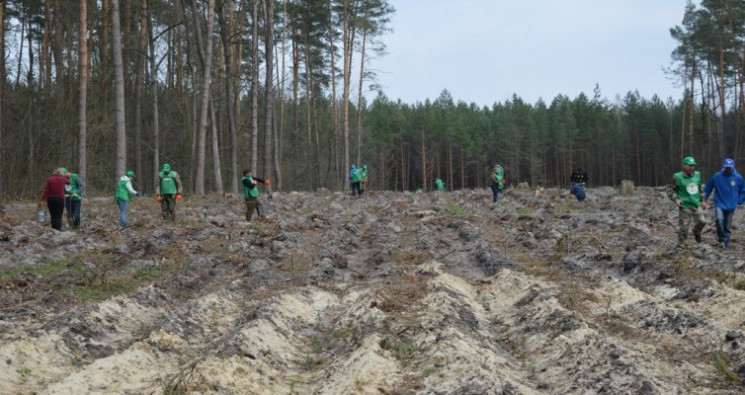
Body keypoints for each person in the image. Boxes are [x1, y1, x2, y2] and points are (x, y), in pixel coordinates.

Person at [703, 158, 745, 248]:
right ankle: (722, 239)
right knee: (719, 219)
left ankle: (726, 242)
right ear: (723, 167)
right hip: (719, 203)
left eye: (729, 167)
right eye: (726, 167)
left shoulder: (738, 178)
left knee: (727, 226)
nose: (728, 169)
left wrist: (740, 200)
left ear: (733, 167)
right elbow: (708, 189)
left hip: (731, 205)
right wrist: (703, 200)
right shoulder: (717, 176)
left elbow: (743, 190)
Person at [666, 156, 706, 248]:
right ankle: (681, 245)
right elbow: (670, 189)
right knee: (684, 228)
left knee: (702, 221)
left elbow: (700, 188)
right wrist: (676, 199)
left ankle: (696, 231)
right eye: (690, 165)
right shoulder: (677, 176)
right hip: (685, 205)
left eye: (693, 165)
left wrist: (702, 201)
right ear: (684, 166)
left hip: (696, 204)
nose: (692, 167)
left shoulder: (697, 175)